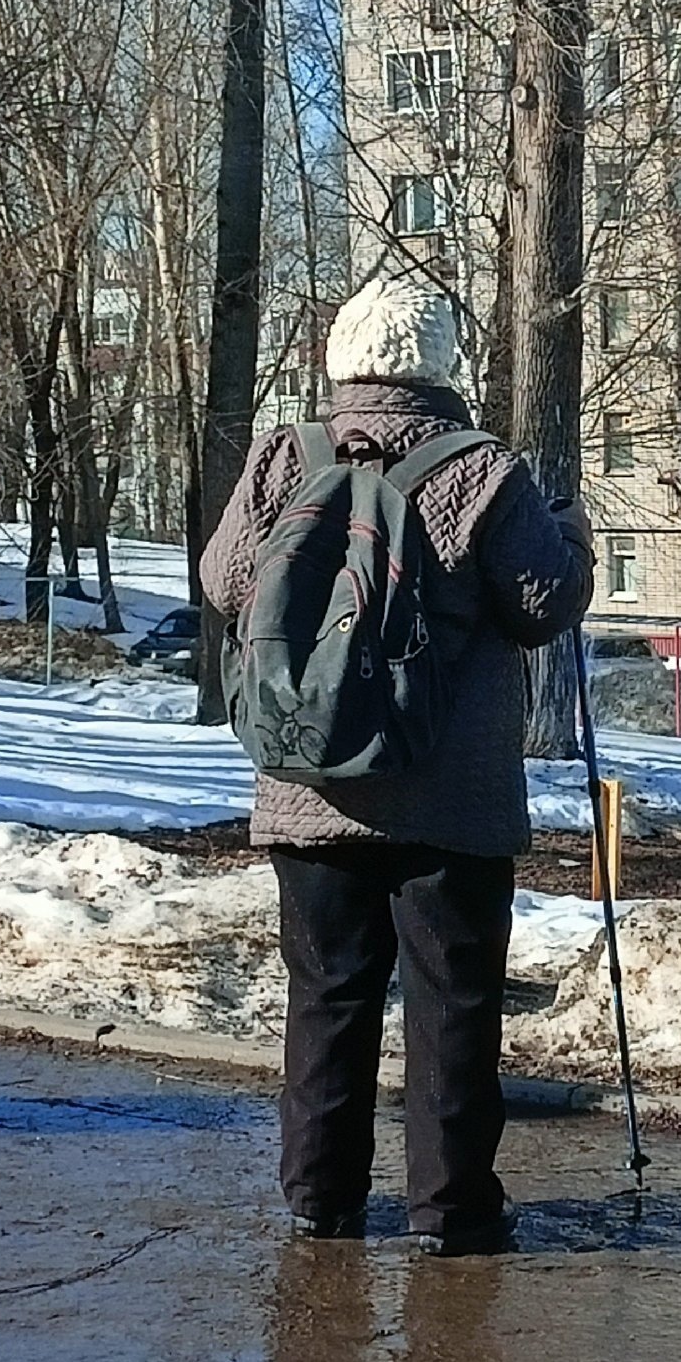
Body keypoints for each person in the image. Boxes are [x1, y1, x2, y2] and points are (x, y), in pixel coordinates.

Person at [202, 272, 595, 1258]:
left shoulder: (285, 456)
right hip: (448, 802)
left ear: (341, 359)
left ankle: (318, 1198)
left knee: (327, 997)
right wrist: (573, 534)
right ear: (441, 365)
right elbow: (541, 604)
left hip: (308, 782)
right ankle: (450, 1210)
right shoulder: (482, 470)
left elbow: (222, 583)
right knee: (452, 1005)